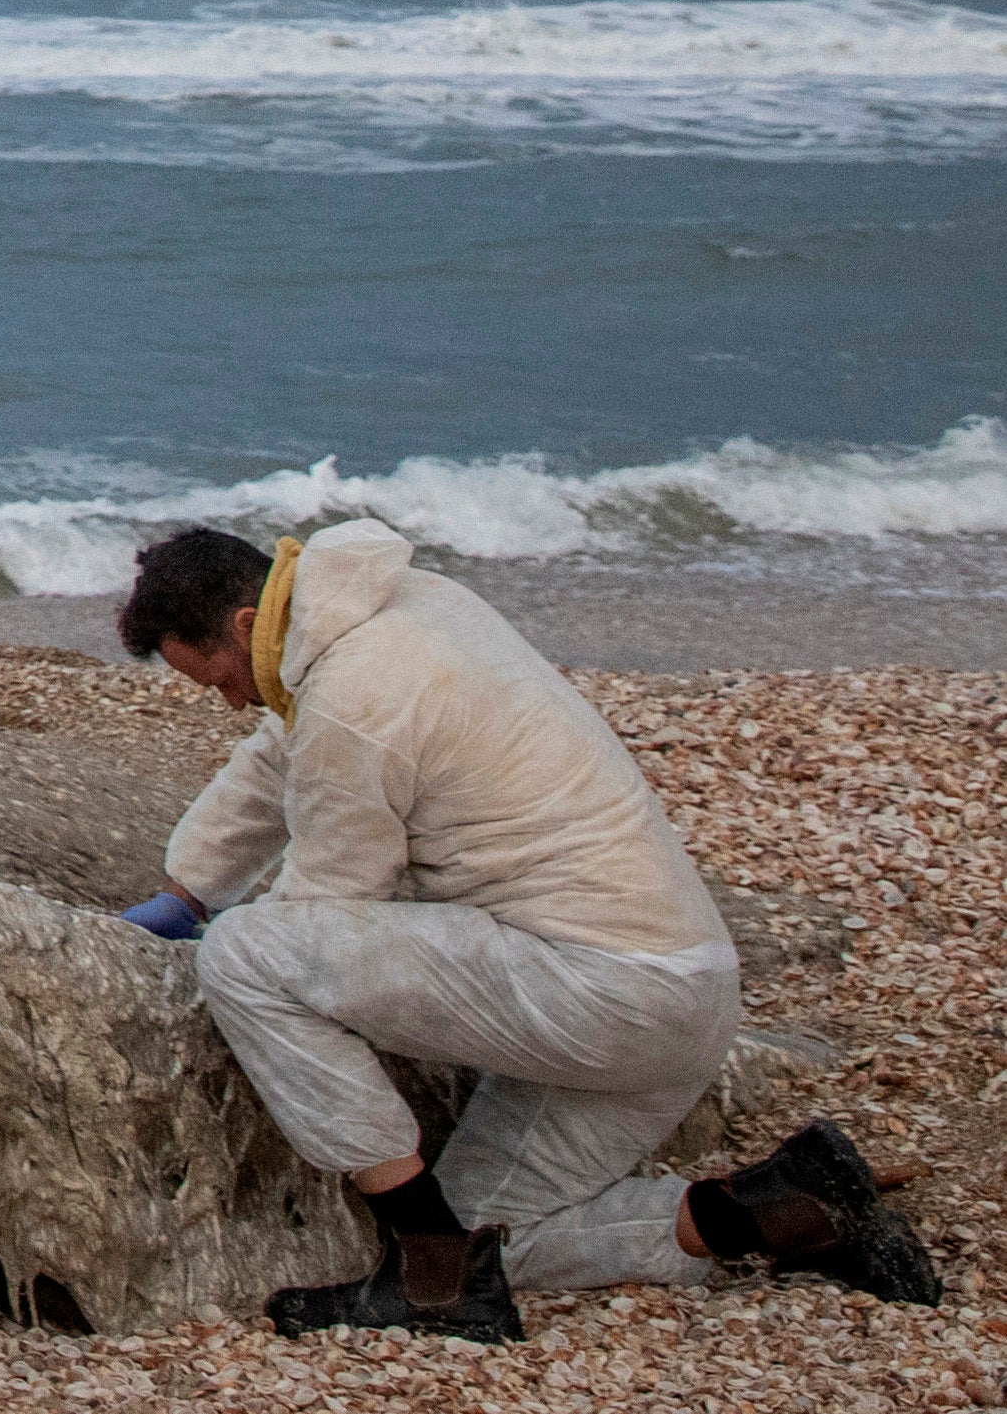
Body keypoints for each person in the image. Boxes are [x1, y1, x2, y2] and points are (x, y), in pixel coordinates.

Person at [113, 515, 941, 1339]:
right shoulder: (402, 604)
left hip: (595, 990)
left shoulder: (351, 694)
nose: (226, 698)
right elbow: (282, 749)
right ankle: (783, 1206)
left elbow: (331, 905)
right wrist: (187, 891)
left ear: (249, 625)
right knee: (501, 1236)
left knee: (251, 956)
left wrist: (210, 936)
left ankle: (429, 1268)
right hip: (682, 1001)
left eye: (216, 676)